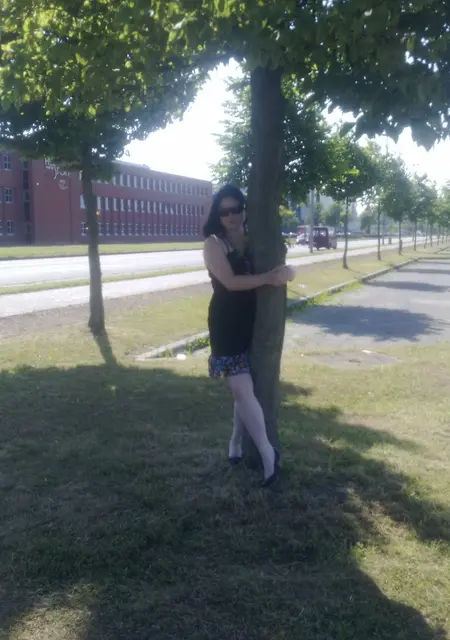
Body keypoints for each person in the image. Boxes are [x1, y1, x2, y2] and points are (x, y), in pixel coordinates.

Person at [203, 185, 295, 487]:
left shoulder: (255, 239)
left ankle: (235, 443)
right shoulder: (213, 243)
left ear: (245, 209)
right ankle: (268, 453)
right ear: (217, 215)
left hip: (254, 321)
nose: (231, 216)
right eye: (224, 211)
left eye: (236, 209)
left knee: (243, 388)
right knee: (241, 388)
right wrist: (269, 278)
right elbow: (230, 283)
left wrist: (288, 272)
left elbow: (281, 265)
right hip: (226, 324)